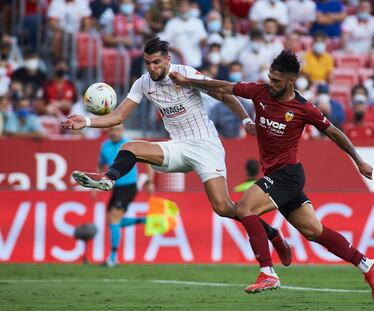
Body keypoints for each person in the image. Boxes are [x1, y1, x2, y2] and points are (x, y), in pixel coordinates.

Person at [169, 50, 374, 302]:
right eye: (270, 77)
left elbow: (334, 132)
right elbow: (225, 86)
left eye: (277, 80)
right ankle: (367, 264)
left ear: (291, 81)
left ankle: (267, 271)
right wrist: (188, 81)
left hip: (288, 175)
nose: (272, 82)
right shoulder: (259, 92)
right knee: (314, 231)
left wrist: (358, 161)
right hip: (276, 175)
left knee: (245, 209)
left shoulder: (304, 109)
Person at [62, 37, 292, 267]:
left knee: (224, 208)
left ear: (167, 60)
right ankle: (108, 179)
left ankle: (274, 235)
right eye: (147, 63)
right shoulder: (143, 84)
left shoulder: (185, 74)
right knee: (129, 146)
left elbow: (223, 94)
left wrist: (245, 120)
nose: (152, 67)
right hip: (177, 146)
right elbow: (119, 116)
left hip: (205, 145)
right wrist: (87, 121)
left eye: (156, 62)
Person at [99, 124, 151, 267]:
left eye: (117, 129)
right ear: (108, 131)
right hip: (115, 187)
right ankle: (143, 220)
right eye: (111, 130)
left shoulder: (129, 146)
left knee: (114, 219)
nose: (114, 132)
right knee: (112, 221)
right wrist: (96, 185)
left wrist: (150, 181)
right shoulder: (104, 146)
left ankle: (113, 257)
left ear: (122, 131)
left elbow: (149, 163)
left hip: (129, 186)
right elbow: (101, 164)